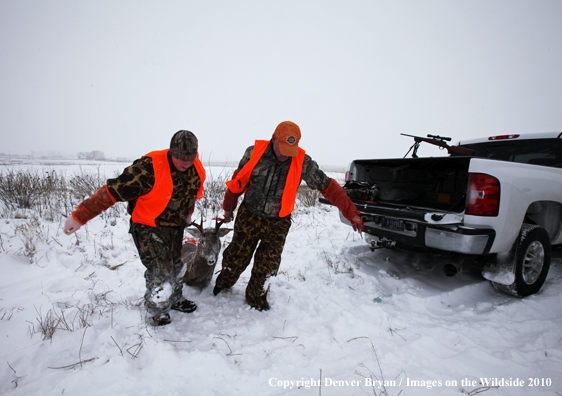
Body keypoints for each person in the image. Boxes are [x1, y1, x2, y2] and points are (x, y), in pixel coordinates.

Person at [213, 121, 364, 311]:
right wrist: (228, 208)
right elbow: (237, 182)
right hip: (249, 216)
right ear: (274, 139)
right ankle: (224, 282)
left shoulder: (303, 162)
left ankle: (255, 296)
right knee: (236, 258)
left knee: (268, 265)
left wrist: (351, 213)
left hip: (278, 222)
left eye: (290, 149)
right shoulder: (254, 153)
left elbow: (329, 187)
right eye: (282, 148)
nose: (285, 154)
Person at [63, 130, 205, 326]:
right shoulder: (148, 168)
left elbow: (192, 194)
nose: (185, 163)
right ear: (171, 151)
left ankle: (175, 298)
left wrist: (188, 213)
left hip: (175, 227)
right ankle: (157, 311)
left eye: (190, 158)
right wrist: (80, 216)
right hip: (148, 226)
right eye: (180, 158)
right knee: (160, 272)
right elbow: (111, 192)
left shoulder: (196, 169)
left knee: (177, 267)